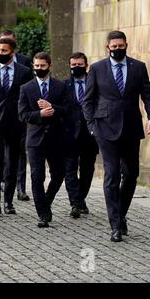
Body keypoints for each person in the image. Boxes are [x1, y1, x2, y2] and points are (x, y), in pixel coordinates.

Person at [83, 30, 150, 242]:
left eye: (120, 46)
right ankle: (115, 224)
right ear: (108, 48)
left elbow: (148, 96)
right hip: (104, 129)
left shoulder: (138, 67)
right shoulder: (97, 69)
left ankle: (121, 213)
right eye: (113, 47)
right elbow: (88, 101)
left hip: (131, 129)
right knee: (112, 175)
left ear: (126, 44)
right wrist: (92, 127)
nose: (117, 49)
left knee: (132, 174)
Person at [18, 52, 73, 228]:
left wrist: (52, 108)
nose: (39, 69)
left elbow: (68, 109)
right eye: (36, 66)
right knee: (37, 176)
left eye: (42, 66)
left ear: (49, 66)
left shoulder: (61, 86)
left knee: (58, 174)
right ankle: (43, 214)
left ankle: (46, 200)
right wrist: (40, 114)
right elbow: (22, 114)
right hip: (35, 139)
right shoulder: (26, 88)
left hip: (57, 138)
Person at [0, 37, 33, 216]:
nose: (0, 54)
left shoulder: (24, 71)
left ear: (13, 52)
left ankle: (8, 202)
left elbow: (28, 96)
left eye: (4, 51)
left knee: (12, 164)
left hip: (15, 122)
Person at [63, 52, 99, 215]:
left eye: (79, 64)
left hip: (90, 134)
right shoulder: (63, 85)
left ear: (86, 65)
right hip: (69, 134)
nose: (76, 67)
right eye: (73, 65)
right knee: (69, 169)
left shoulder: (96, 83)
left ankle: (81, 198)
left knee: (87, 169)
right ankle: (75, 203)